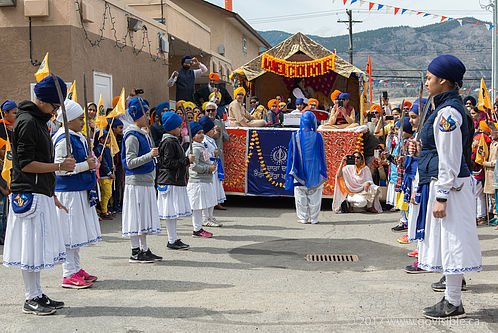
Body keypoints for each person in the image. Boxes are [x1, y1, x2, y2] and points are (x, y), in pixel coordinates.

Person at [408, 54, 481, 319]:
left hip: (450, 186)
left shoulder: (448, 113)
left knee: (452, 242)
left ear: (443, 80)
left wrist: (441, 195)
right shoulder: (442, 109)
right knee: (447, 242)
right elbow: (440, 150)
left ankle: (453, 302)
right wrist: (421, 151)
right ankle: (451, 299)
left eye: (429, 78)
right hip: (446, 183)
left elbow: (450, 157)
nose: (426, 82)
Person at [3, 75, 76, 315]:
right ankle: (30, 297)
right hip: (28, 193)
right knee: (30, 248)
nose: (56, 111)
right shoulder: (27, 122)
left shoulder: (38, 121)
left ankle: (37, 293)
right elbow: (25, 164)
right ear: (43, 100)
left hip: (40, 191)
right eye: (55, 106)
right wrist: (59, 167)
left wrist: (51, 193)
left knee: (36, 247)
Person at [52, 100, 101, 289]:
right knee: (69, 232)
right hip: (68, 192)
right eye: (80, 118)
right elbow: (60, 169)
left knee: (77, 232)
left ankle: (76, 268)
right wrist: (85, 166)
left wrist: (92, 160)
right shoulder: (63, 139)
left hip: (80, 189)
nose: (83, 121)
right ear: (69, 119)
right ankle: (67, 273)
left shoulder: (77, 136)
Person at [121, 97, 162, 263]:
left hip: (146, 182)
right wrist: (149, 155)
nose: (147, 117)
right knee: (136, 217)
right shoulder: (132, 136)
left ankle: (145, 248)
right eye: (145, 113)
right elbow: (130, 162)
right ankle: (135, 250)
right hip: (136, 183)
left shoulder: (143, 134)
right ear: (137, 114)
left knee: (144, 217)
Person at [157, 112, 193, 250]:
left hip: (173, 180)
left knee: (172, 213)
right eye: (178, 127)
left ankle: (173, 238)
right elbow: (167, 162)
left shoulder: (172, 141)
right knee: (170, 212)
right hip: (169, 181)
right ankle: (171, 239)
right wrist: (185, 160)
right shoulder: (169, 142)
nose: (180, 129)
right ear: (171, 128)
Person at [285, 111, 327, 224]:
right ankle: (314, 218)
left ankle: (303, 218)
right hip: (315, 170)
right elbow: (322, 155)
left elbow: (291, 154)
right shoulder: (318, 136)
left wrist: (291, 169)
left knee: (300, 193)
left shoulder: (295, 136)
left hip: (299, 170)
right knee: (315, 193)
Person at [186, 121, 216, 238]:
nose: (202, 135)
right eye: (198, 133)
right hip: (198, 182)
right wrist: (207, 168)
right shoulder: (195, 148)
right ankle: (197, 229)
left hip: (204, 180)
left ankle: (198, 228)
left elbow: (206, 160)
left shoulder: (201, 146)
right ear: (192, 135)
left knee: (200, 206)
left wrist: (211, 165)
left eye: (202, 132)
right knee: (197, 207)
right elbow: (194, 166)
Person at [199, 115, 225, 225]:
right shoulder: (204, 140)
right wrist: (212, 154)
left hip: (214, 168)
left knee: (213, 194)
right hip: (209, 167)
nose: (213, 131)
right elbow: (204, 154)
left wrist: (218, 152)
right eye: (211, 129)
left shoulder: (211, 140)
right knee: (208, 195)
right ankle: (205, 218)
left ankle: (211, 216)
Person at [205, 101, 229, 210]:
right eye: (208, 110)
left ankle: (217, 202)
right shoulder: (202, 122)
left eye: (212, 110)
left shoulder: (220, 123)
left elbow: (227, 138)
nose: (210, 112)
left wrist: (221, 131)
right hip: (206, 156)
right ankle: (208, 202)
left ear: (216, 111)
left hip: (218, 155)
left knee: (218, 179)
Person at [93, 130, 114, 220]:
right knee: (106, 193)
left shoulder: (107, 148)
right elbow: (103, 163)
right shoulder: (99, 149)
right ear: (101, 139)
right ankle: (103, 211)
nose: (109, 139)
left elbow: (108, 161)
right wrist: (109, 173)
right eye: (107, 137)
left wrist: (112, 166)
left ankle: (105, 209)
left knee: (108, 193)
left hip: (108, 174)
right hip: (104, 175)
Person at [110, 118, 124, 213]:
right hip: (111, 165)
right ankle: (108, 206)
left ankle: (117, 204)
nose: (121, 130)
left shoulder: (121, 138)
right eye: (120, 128)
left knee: (118, 184)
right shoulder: (108, 137)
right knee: (109, 186)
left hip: (119, 165)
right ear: (114, 128)